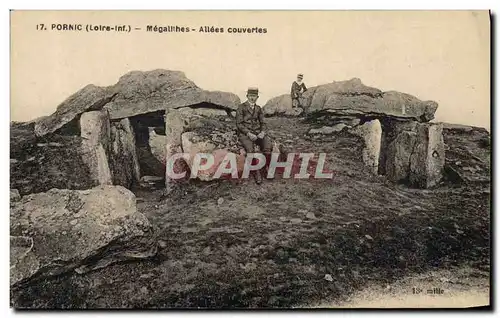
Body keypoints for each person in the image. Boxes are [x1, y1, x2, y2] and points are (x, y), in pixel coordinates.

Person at [236, 87, 272, 184]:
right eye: (251, 96)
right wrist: (248, 133)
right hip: (245, 134)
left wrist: (262, 132)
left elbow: (263, 123)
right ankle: (256, 172)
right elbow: (239, 124)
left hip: (258, 133)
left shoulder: (259, 109)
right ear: (247, 96)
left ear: (257, 97)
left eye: (254, 96)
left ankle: (266, 168)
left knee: (268, 147)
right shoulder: (241, 107)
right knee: (250, 151)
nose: (252, 98)